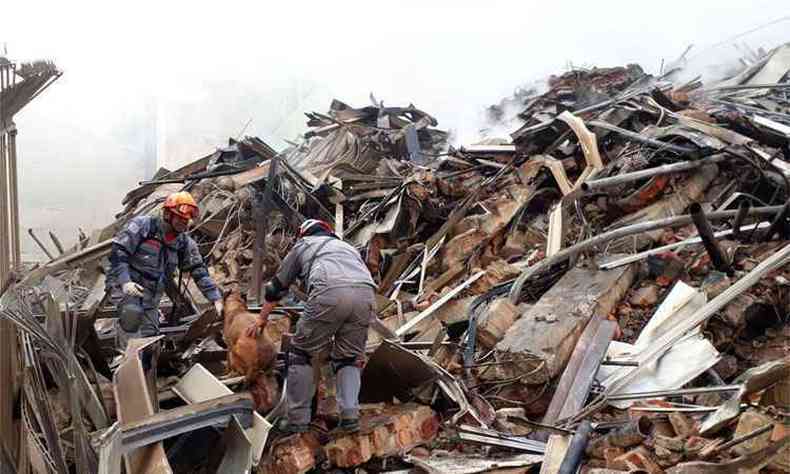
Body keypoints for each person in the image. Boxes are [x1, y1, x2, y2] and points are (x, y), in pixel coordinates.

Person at [247, 219, 376, 433]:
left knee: (299, 352)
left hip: (330, 293)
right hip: (366, 296)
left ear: (303, 234)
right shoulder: (347, 248)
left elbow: (277, 286)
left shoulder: (304, 244)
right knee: (349, 359)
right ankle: (350, 416)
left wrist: (261, 319)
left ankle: (297, 420)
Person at [107, 191, 223, 352]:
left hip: (151, 295)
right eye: (180, 218)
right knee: (131, 318)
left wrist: (215, 298)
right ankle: (125, 366)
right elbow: (118, 252)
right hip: (126, 288)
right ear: (168, 214)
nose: (184, 223)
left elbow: (199, 271)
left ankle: (146, 372)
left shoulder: (183, 243)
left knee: (150, 342)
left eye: (187, 220)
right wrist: (125, 281)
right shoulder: (144, 226)